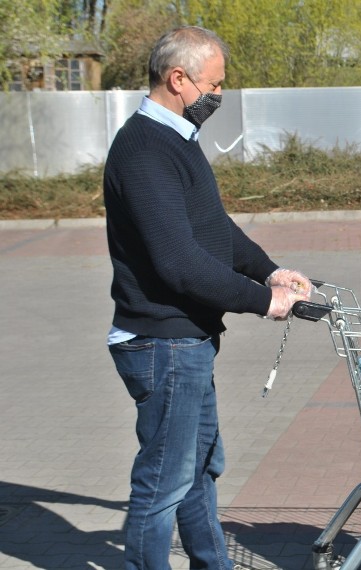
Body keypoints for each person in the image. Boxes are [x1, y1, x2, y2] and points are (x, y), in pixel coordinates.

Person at [103, 25, 311, 569]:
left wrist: (271, 273)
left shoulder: (176, 141)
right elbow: (179, 263)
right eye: (213, 86)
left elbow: (215, 231)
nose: (219, 96)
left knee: (197, 471)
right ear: (179, 79)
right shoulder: (144, 151)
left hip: (185, 341)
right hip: (161, 342)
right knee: (164, 483)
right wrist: (260, 301)